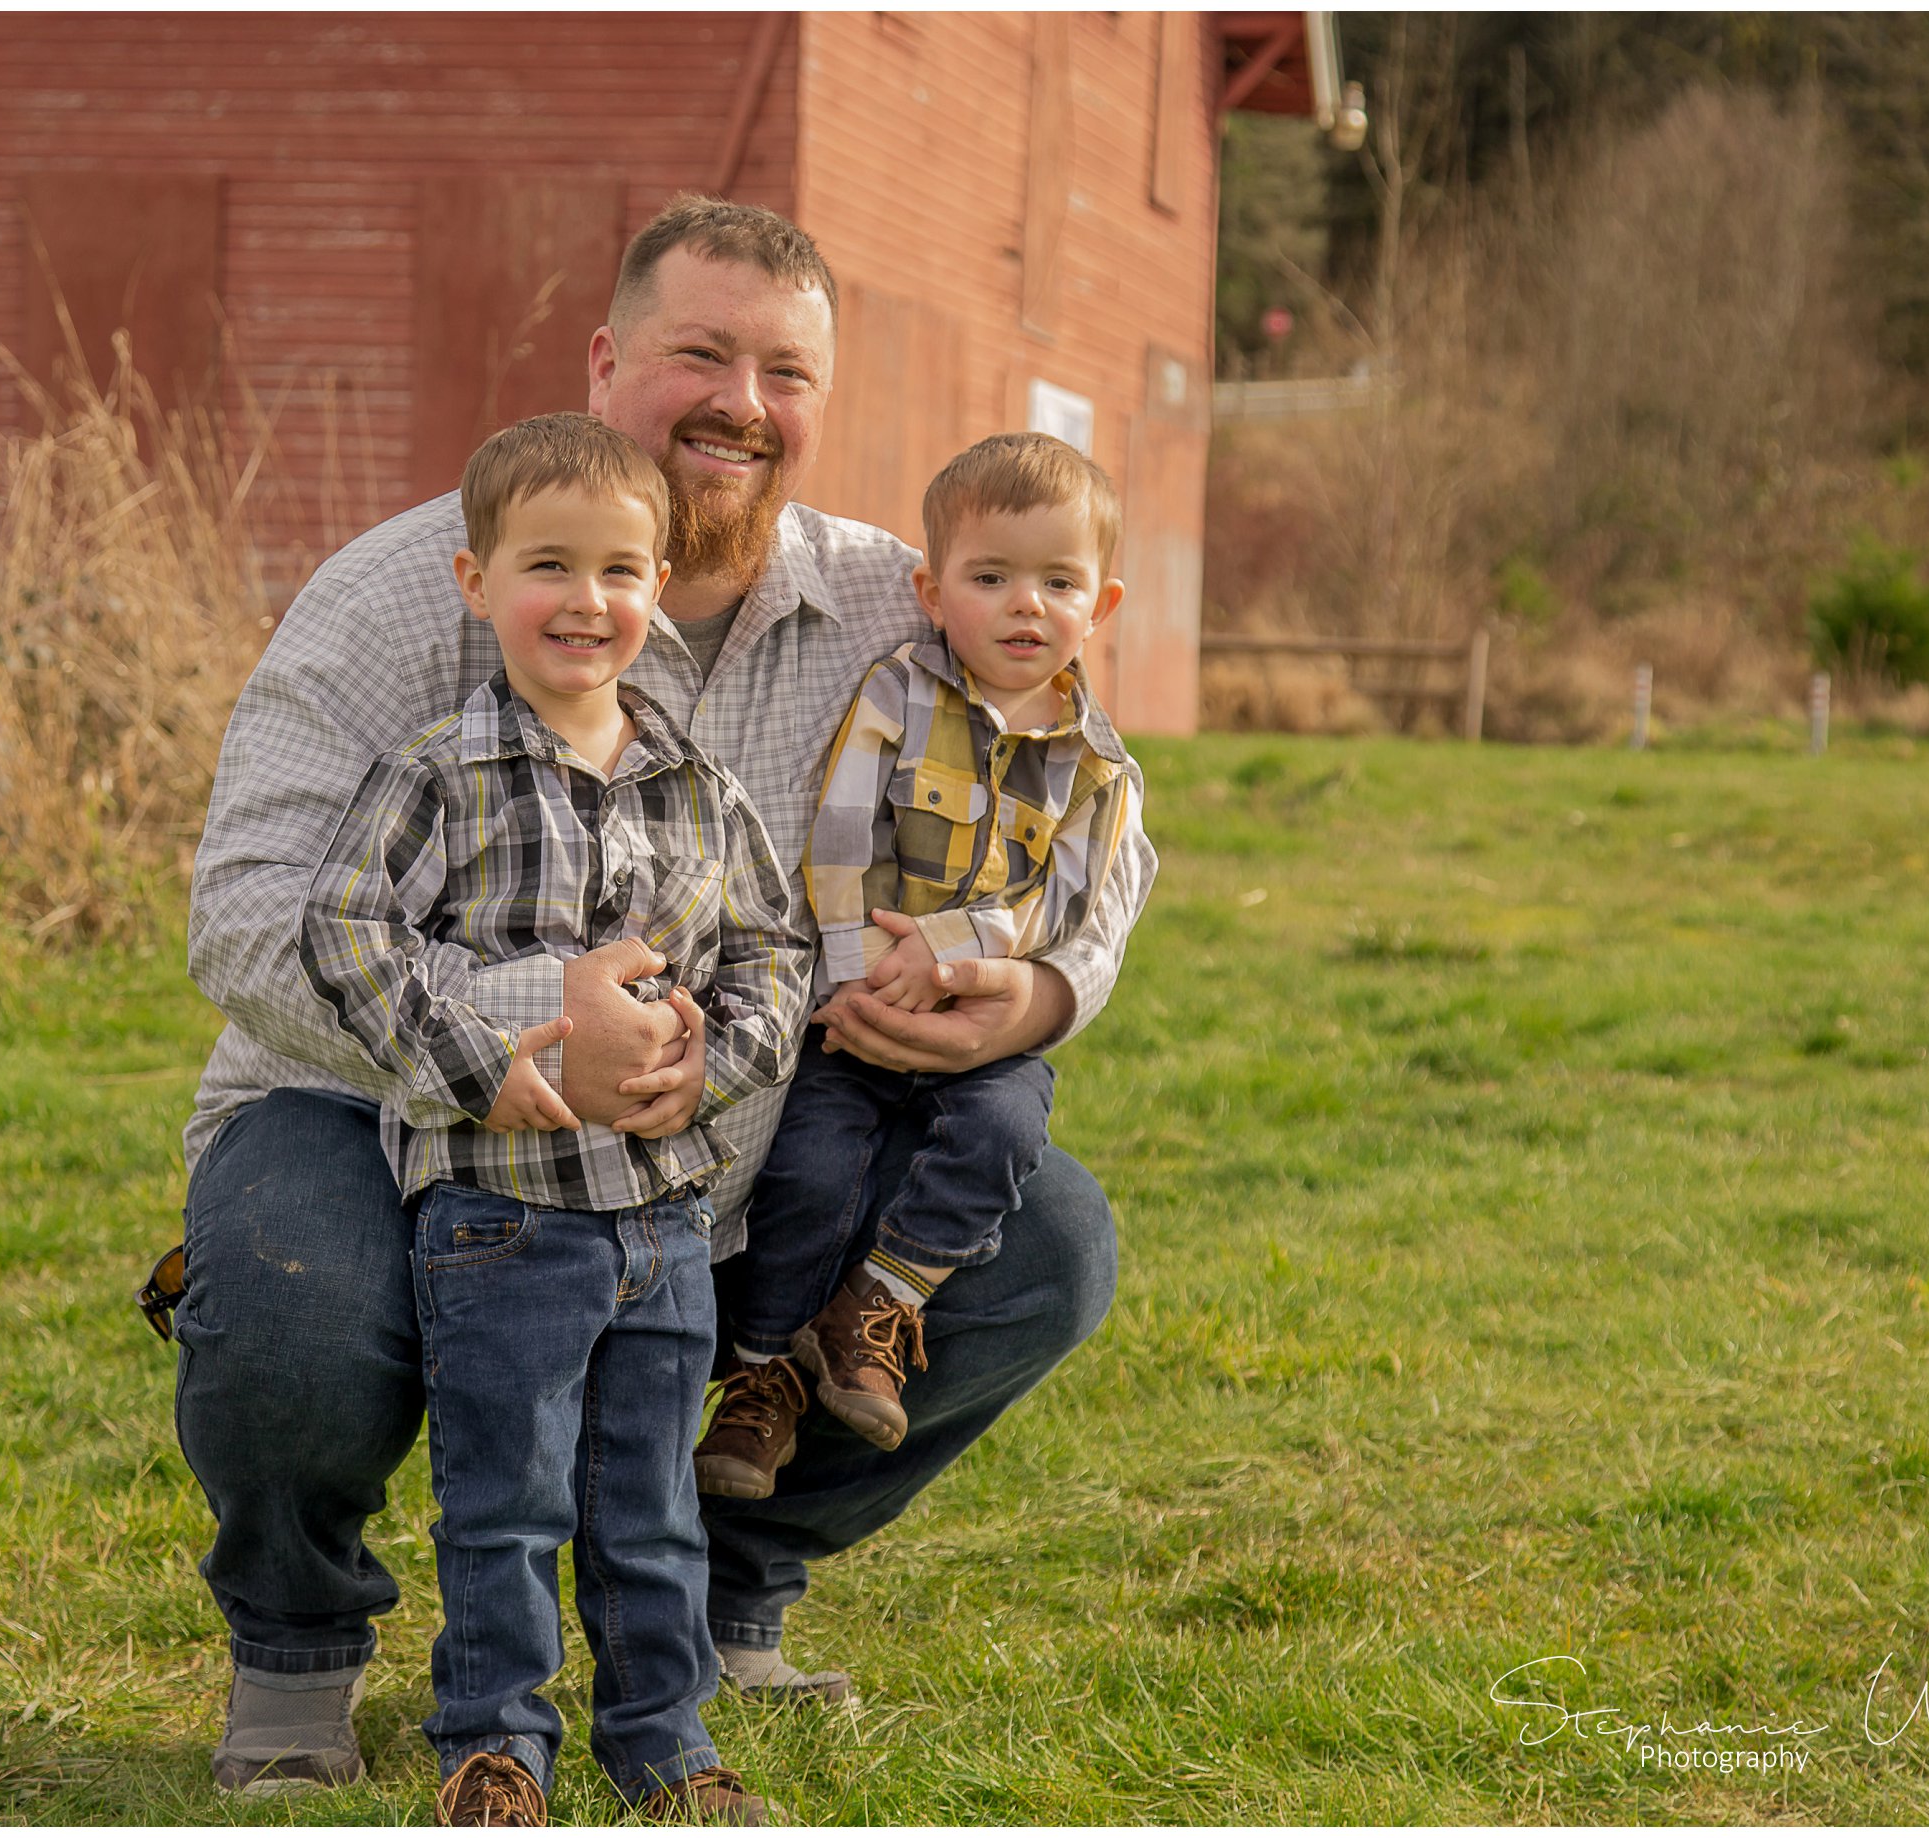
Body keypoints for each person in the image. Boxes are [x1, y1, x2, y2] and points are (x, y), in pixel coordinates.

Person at [176, 195, 1158, 1797]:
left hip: (741, 1137)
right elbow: (242, 920)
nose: (740, 405)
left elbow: (1097, 813)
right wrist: (528, 1016)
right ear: (604, 357)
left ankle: (715, 1596)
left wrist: (1043, 992)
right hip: (383, 1116)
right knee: (289, 1283)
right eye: (699, 353)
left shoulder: (897, 605)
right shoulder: (397, 596)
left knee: (1040, 1239)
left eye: (785, 371)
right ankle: (296, 1651)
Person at [296, 411, 807, 1825]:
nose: (587, 600)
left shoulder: (698, 789)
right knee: (507, 1498)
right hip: (501, 1216)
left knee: (647, 1504)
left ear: (657, 591)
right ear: (475, 582)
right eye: (547, 565)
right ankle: (495, 1743)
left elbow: (772, 949)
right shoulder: (436, 773)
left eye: (621, 570)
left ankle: (664, 1743)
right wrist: (471, 1053)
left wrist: (714, 1069)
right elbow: (340, 929)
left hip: (659, 1215)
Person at [692, 433, 1139, 1500]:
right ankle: (760, 1378)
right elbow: (839, 838)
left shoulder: (1097, 765)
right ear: (931, 592)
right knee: (809, 1169)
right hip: (851, 1009)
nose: (1024, 604)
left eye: (1057, 582)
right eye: (990, 578)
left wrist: (961, 953)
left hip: (974, 1011)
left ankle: (877, 1307)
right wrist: (849, 975)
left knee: (1002, 1133)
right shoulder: (894, 696)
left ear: (1100, 605)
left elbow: (1063, 901)